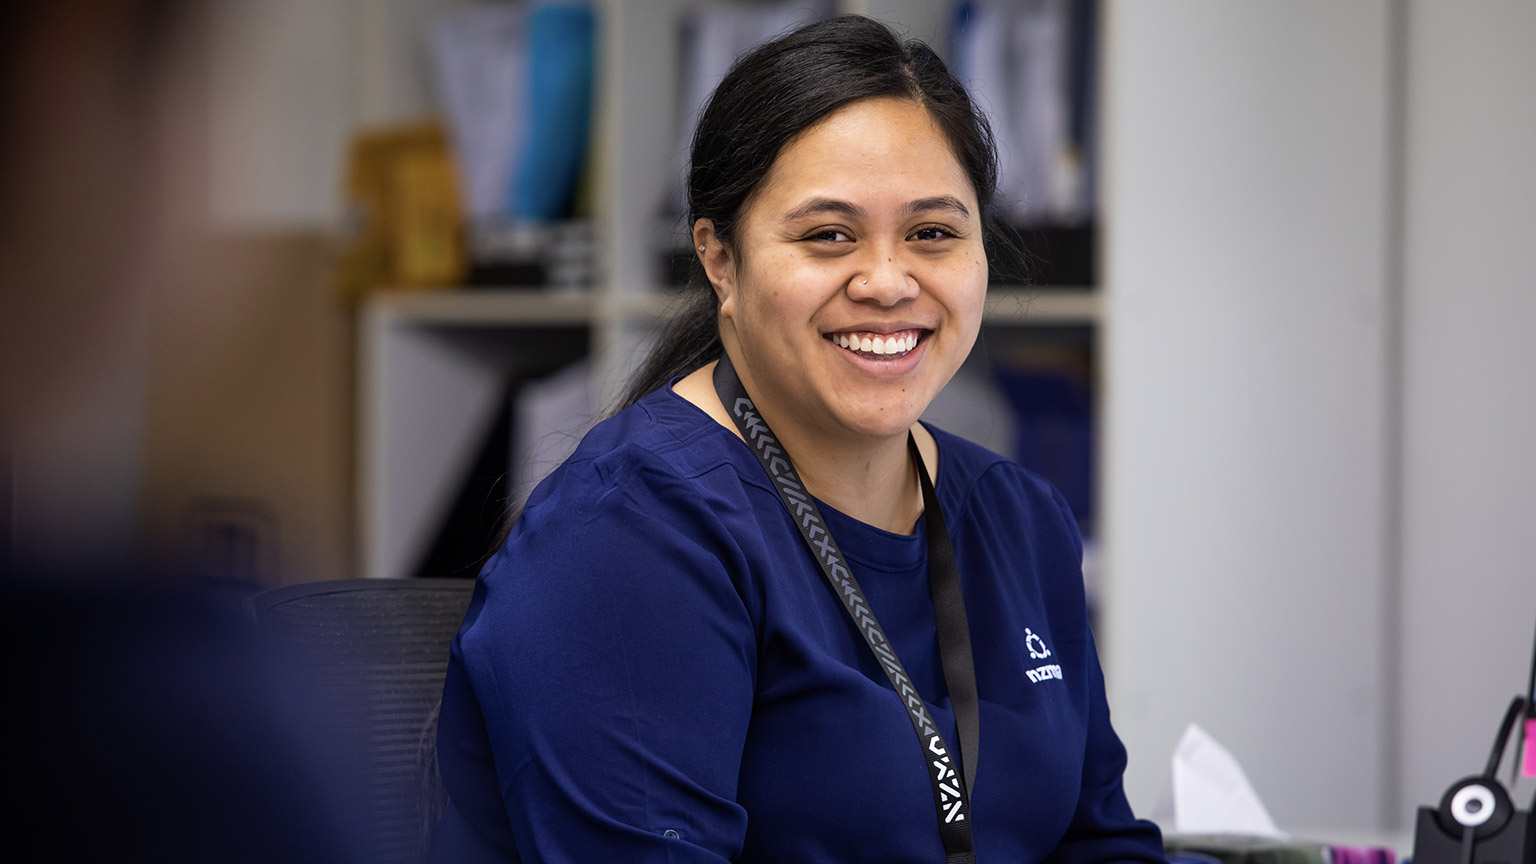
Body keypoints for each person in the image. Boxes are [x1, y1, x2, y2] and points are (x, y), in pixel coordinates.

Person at [434, 15, 1165, 864]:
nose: (888, 282)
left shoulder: (1020, 517)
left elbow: (1098, 844)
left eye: (933, 233)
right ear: (718, 258)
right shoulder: (631, 533)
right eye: (828, 235)